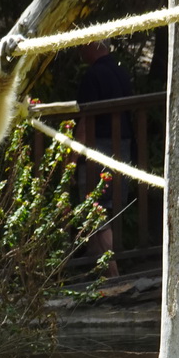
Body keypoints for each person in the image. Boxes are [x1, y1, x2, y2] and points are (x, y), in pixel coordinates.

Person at [75, 40, 134, 277]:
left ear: (92, 46)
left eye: (82, 46)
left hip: (99, 151)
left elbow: (85, 124)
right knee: (108, 209)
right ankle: (97, 268)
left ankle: (112, 273)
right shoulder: (122, 72)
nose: (79, 51)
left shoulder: (93, 76)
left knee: (95, 207)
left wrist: (71, 158)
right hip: (125, 148)